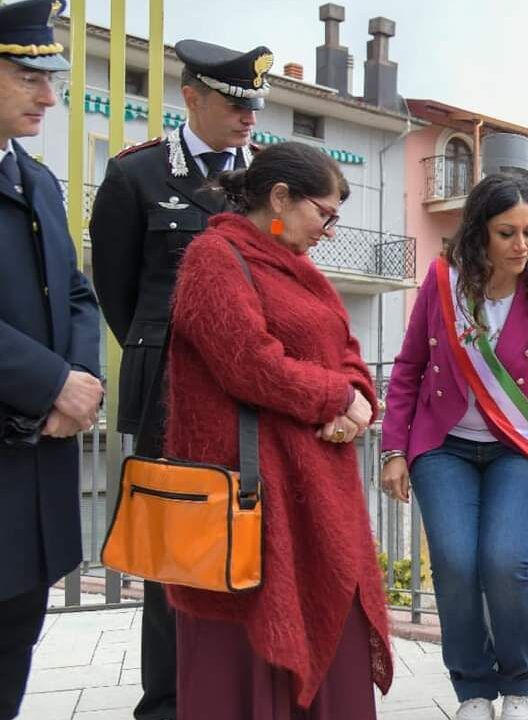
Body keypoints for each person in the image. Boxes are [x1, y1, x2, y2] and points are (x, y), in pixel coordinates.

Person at [165, 142, 392, 718]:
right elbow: (248, 362)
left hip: (316, 493)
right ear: (281, 197)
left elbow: (345, 348)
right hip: (253, 500)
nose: (330, 231)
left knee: (330, 619)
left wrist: (360, 394)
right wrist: (336, 396)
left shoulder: (302, 268)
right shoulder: (213, 257)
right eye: (325, 213)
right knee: (245, 651)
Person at [379, 173, 528, 720]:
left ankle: (522, 687)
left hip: (515, 449)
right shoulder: (441, 283)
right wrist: (393, 451)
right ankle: (474, 689)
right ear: (479, 233)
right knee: (456, 562)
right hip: (443, 445)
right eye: (507, 233)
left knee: (503, 561)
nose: (522, 245)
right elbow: (408, 368)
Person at [89, 38, 269, 720]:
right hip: (169, 392)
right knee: (173, 548)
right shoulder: (134, 177)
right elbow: (118, 292)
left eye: (255, 104)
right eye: (233, 102)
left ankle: (244, 691)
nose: (247, 116)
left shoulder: (265, 179)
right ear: (191, 98)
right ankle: (167, 702)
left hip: (252, 395)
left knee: (249, 540)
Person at [0, 2, 102, 716]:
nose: (48, 94)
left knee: (15, 643)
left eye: (53, 77)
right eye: (29, 75)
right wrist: (51, 384)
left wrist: (81, 383)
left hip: (33, 467)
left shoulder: (35, 180)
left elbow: (74, 290)